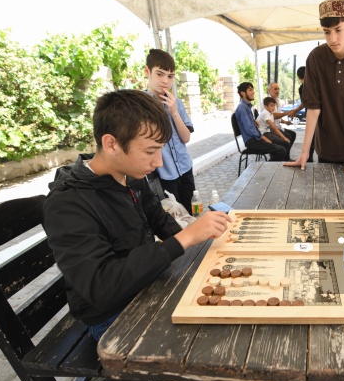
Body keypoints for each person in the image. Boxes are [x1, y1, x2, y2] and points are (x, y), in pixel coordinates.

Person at [43, 89, 232, 341]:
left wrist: (204, 238)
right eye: (149, 151)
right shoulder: (67, 203)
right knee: (207, 338)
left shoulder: (130, 175)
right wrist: (184, 239)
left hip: (145, 284)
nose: (158, 163)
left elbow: (158, 219)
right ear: (112, 144)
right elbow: (101, 287)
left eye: (160, 150)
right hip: (111, 315)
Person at [285, 0, 344, 172]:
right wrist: (304, 153)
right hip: (327, 149)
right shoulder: (316, 57)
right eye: (327, 32)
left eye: (338, 30)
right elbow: (313, 108)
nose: (333, 39)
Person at [144, 48, 195, 214]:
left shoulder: (177, 103)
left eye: (170, 76)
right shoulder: (142, 105)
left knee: (190, 211)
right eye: (159, 74)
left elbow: (185, 138)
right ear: (147, 72)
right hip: (164, 172)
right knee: (174, 216)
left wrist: (173, 111)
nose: (165, 81)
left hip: (185, 166)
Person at [234, 82, 287, 161]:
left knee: (282, 144)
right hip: (252, 141)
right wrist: (263, 137)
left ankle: (272, 168)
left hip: (255, 138)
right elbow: (249, 129)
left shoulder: (246, 106)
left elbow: (248, 124)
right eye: (250, 90)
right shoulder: (242, 108)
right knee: (281, 150)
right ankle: (267, 171)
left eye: (253, 90)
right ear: (243, 93)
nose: (253, 92)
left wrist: (252, 120)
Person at [267, 82, 296, 159]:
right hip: (271, 130)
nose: (277, 91)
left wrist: (286, 122)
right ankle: (282, 157)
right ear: (269, 90)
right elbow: (273, 116)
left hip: (278, 127)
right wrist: (286, 113)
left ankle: (286, 157)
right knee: (288, 136)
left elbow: (278, 118)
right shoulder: (266, 102)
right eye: (275, 89)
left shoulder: (276, 101)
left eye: (278, 89)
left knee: (292, 134)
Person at [293, 66, 315, 162]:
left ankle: (308, 157)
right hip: (323, 115)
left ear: (299, 77)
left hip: (311, 114)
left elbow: (304, 103)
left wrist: (296, 110)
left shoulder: (302, 88)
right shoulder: (317, 84)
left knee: (311, 136)